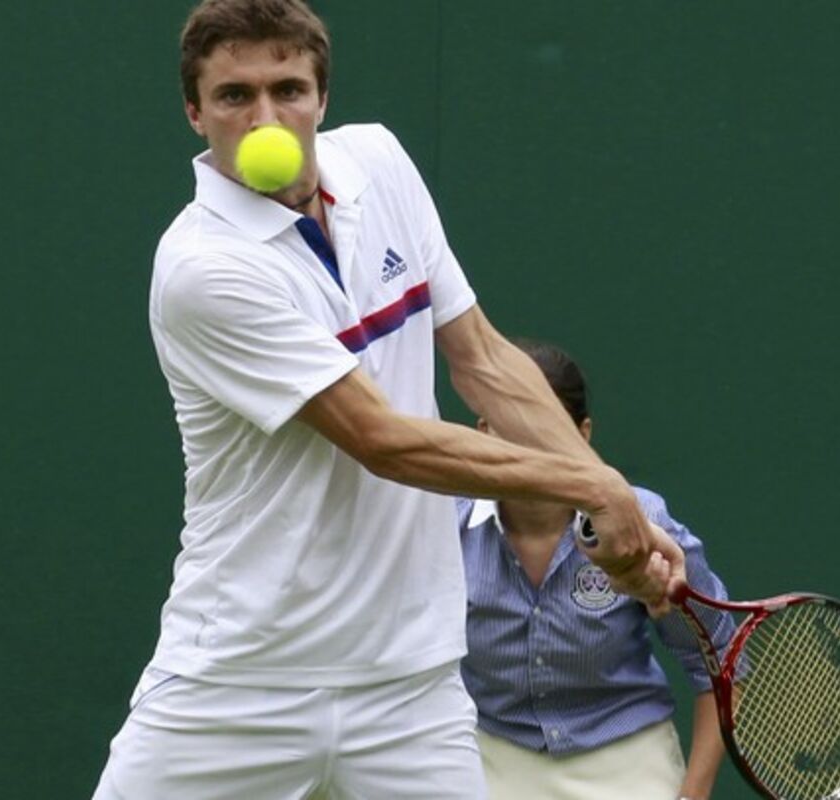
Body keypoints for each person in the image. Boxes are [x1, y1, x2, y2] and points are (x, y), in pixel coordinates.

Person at [92, 1, 686, 798]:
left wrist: (615, 513)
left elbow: (484, 360)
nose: (265, 117)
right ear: (194, 113)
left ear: (321, 98)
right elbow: (382, 439)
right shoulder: (204, 269)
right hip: (242, 679)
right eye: (235, 95)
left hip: (412, 682)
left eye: (288, 89)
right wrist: (598, 488)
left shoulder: (380, 164)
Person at [459, 340, 736, 800]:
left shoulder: (646, 523)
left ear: (582, 434)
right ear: (483, 430)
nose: (527, 450)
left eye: (544, 431)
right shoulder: (443, 526)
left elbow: (718, 660)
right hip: (490, 760)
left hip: (628, 763)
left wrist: (694, 794)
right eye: (508, 428)